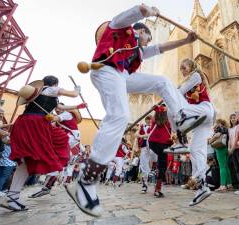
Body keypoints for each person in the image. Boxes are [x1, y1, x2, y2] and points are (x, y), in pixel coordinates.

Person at [65, 5, 207, 217]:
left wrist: (186, 41)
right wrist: (146, 10)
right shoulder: (120, 27)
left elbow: (161, 48)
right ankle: (86, 181)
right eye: (147, 38)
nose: (148, 43)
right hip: (105, 70)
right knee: (120, 116)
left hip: (122, 76)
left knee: (162, 82)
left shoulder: (139, 50)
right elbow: (135, 12)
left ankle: (181, 117)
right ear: (141, 32)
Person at [0, 76, 85, 211]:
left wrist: (77, 106)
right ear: (55, 83)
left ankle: (12, 197)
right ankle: (12, 196)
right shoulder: (51, 89)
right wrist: (77, 90)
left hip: (26, 122)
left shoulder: (41, 92)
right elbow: (73, 94)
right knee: (35, 157)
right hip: (35, 124)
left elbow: (59, 106)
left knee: (27, 161)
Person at [164, 58, 215, 206]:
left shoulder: (196, 76)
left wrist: (168, 93)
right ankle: (202, 186)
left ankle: (179, 140)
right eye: (180, 68)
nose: (182, 70)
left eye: (183, 67)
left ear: (191, 66)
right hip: (201, 117)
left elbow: (179, 92)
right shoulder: (190, 81)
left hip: (204, 110)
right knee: (195, 150)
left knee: (170, 108)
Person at [148, 104, 174, 197]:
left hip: (154, 144)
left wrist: (156, 108)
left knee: (161, 164)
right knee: (162, 166)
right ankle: (157, 189)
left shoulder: (156, 118)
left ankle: (157, 186)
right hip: (161, 144)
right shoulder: (164, 119)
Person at [209, 119, 232, 192]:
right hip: (226, 148)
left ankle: (222, 186)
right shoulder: (226, 129)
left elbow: (217, 135)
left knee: (222, 167)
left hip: (220, 149)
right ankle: (229, 184)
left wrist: (210, 141)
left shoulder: (220, 128)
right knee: (226, 167)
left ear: (219, 123)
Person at [137, 116, 154, 193]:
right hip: (144, 147)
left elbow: (150, 134)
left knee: (152, 162)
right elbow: (136, 134)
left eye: (150, 120)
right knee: (143, 165)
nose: (149, 121)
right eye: (148, 120)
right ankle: (145, 185)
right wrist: (139, 134)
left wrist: (141, 136)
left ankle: (151, 173)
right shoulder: (142, 126)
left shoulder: (154, 126)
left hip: (152, 147)